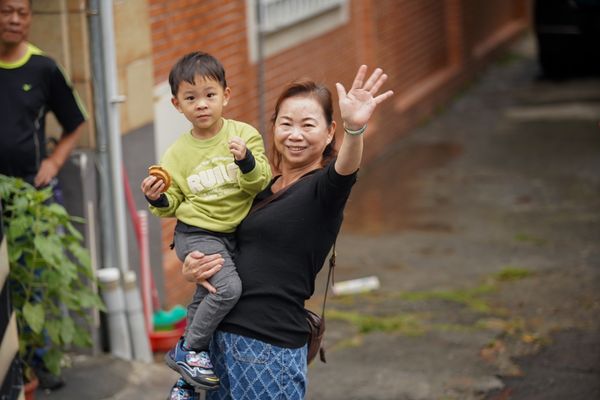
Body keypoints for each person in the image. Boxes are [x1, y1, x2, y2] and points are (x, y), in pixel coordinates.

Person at [178, 65, 393, 399]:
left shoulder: (323, 189)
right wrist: (192, 264)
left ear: (328, 132)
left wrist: (355, 130)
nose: (295, 135)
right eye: (286, 123)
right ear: (274, 127)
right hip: (220, 343)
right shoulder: (262, 184)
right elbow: (217, 233)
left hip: (268, 349)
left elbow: (346, 170)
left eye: (308, 125)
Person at [140, 52, 271, 396]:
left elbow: (260, 184)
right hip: (196, 233)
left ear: (226, 95)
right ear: (176, 104)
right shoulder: (176, 154)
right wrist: (157, 197)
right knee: (228, 289)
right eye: (190, 98)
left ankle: (185, 382)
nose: (202, 104)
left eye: (210, 95)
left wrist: (244, 160)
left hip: (234, 235)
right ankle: (191, 350)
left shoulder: (243, 135)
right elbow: (173, 206)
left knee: (206, 293)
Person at [0, 0, 87, 391]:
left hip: (31, 196)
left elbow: (75, 122)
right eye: (6, 11)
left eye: (22, 12)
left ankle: (40, 359)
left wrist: (53, 162)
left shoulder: (44, 68)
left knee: (37, 275)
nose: (15, 19)